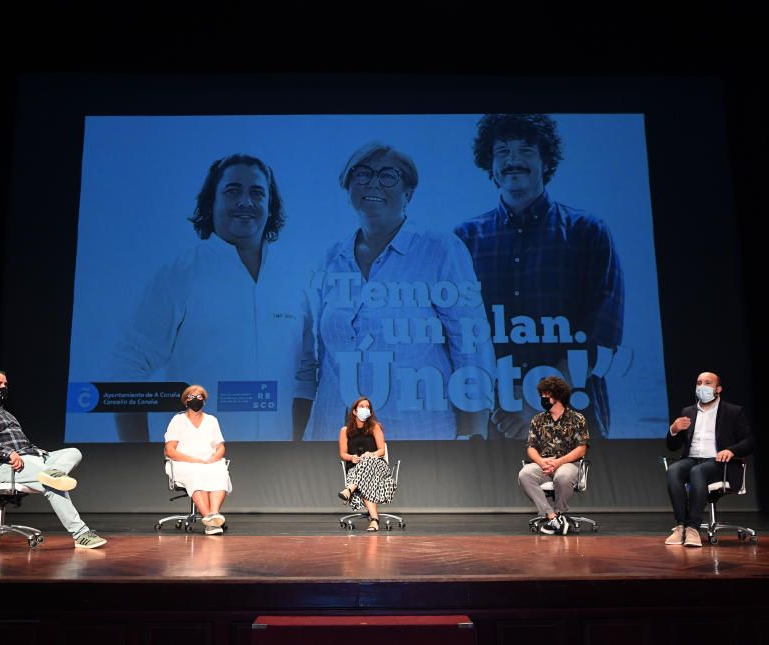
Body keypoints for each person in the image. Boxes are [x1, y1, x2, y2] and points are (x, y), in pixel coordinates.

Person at [295, 142, 496, 441]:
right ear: (348, 186)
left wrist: (474, 435)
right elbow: (323, 357)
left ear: (408, 193)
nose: (373, 183)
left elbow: (472, 348)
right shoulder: (331, 258)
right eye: (362, 174)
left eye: (388, 175)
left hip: (416, 435)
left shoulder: (441, 249)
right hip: (333, 435)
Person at [112, 153, 305, 442]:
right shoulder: (178, 275)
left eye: (257, 192)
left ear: (270, 205)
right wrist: (135, 454)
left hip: (276, 465)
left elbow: (306, 374)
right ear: (211, 202)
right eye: (232, 191)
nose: (245, 201)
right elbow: (128, 367)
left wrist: (299, 448)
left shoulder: (295, 280)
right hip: (195, 462)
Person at [454, 114, 624, 441]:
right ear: (489, 165)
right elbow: (459, 339)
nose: (513, 160)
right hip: (495, 420)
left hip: (574, 416)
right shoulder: (463, 240)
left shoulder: (588, 232)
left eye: (526, 150)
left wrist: (535, 406)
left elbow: (600, 337)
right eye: (502, 151)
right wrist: (501, 406)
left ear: (546, 160)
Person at [0, 369, 106, 549]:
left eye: (5, 384)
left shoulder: (7, 414)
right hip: (2, 467)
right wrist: (8, 453)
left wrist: (36, 451)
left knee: (73, 452)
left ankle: (53, 472)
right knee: (52, 483)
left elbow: (21, 444)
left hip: (31, 459)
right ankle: (81, 534)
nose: (3, 387)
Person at [665, 371, 754, 547]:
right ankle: (681, 526)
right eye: (699, 383)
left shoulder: (733, 411)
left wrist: (731, 450)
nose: (702, 387)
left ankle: (693, 528)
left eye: (707, 383)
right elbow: (673, 446)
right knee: (674, 470)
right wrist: (673, 430)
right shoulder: (688, 412)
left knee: (698, 471)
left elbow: (749, 441)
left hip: (720, 463)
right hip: (693, 459)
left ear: (718, 389)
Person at [517, 376, 589, 535]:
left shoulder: (577, 419)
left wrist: (558, 463)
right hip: (545, 464)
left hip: (568, 463)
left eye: (546, 396)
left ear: (558, 397)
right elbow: (531, 448)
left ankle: (559, 512)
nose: (542, 399)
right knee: (525, 474)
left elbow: (581, 449)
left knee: (562, 476)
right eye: (541, 395)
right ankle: (551, 517)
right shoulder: (538, 420)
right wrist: (541, 461)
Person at [163, 384, 232, 535]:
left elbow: (220, 447)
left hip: (208, 461)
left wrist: (212, 458)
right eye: (191, 397)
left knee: (219, 470)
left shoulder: (212, 420)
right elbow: (169, 450)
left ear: (204, 401)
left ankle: (214, 515)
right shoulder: (178, 420)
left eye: (199, 397)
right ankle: (209, 521)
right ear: (185, 401)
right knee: (195, 473)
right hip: (183, 462)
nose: (195, 400)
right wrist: (193, 460)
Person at [337, 397, 397, 532]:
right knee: (366, 480)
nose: (365, 409)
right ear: (354, 411)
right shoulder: (344, 431)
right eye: (362, 406)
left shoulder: (375, 427)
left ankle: (349, 489)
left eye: (367, 407)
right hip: (355, 467)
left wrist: (371, 454)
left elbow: (381, 450)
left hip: (377, 467)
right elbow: (343, 454)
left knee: (368, 461)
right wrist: (352, 458)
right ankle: (374, 520)